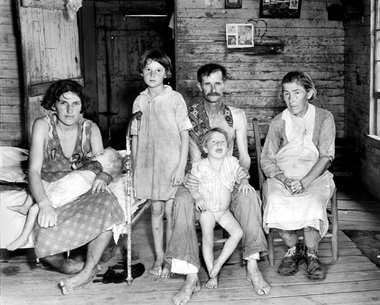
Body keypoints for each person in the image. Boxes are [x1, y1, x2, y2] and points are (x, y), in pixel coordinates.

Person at [165, 63, 271, 305]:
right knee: (180, 201)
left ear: (225, 84)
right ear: (200, 85)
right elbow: (186, 156)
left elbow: (243, 156)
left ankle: (252, 265)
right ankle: (191, 275)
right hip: (198, 176)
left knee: (249, 196)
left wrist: (242, 179)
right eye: (207, 83)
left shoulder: (237, 116)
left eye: (217, 83)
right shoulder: (188, 115)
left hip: (228, 174)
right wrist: (192, 182)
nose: (213, 88)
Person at [26, 79, 125, 295]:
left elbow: (104, 165)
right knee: (46, 251)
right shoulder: (43, 126)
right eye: (64, 103)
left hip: (83, 189)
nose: (70, 110)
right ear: (54, 104)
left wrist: (105, 177)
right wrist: (43, 204)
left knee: (109, 204)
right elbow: (33, 171)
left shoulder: (91, 129)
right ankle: (74, 266)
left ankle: (86, 272)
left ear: (82, 106)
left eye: (76, 103)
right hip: (54, 192)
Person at [261, 71, 336, 280]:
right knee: (275, 199)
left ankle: (311, 253)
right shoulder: (278, 122)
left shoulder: (324, 118)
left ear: (309, 93)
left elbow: (326, 156)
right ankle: (293, 250)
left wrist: (305, 182)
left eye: (296, 93)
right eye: (286, 94)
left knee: (311, 200)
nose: (291, 99)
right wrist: (284, 179)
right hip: (283, 176)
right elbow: (267, 159)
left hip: (315, 175)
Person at [131, 49, 192, 278]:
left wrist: (180, 167)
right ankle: (158, 255)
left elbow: (185, 134)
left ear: (166, 73)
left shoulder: (175, 98)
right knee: (155, 209)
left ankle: (169, 259)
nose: (153, 73)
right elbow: (135, 136)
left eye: (158, 69)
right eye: (148, 69)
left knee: (169, 210)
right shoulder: (139, 100)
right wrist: (137, 166)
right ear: (142, 73)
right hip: (149, 165)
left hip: (170, 164)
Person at [6, 147, 124, 251]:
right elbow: (74, 166)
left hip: (65, 192)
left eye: (102, 154)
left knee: (34, 210)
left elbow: (105, 177)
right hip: (61, 184)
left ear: (108, 165)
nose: (98, 154)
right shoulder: (93, 165)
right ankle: (24, 207)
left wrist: (103, 176)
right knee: (36, 182)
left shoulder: (99, 169)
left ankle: (23, 237)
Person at [189, 127, 256, 289]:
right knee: (208, 239)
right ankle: (213, 275)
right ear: (205, 148)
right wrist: (197, 197)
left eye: (222, 142)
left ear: (228, 147)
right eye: (214, 142)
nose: (219, 144)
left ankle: (218, 263)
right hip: (208, 212)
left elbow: (242, 174)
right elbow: (191, 184)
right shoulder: (200, 166)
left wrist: (245, 182)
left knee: (238, 232)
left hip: (224, 211)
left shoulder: (231, 162)